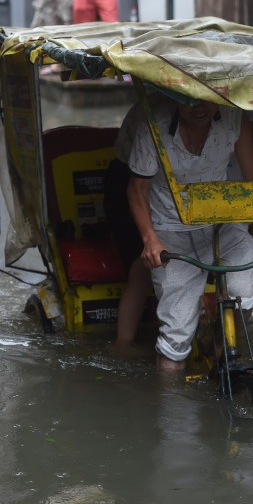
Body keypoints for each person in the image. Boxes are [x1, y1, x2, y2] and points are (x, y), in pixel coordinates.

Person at [126, 98, 253, 370]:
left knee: (244, 293)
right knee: (174, 342)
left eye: (205, 100)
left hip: (221, 221)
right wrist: (150, 239)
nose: (198, 107)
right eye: (188, 101)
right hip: (170, 228)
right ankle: (169, 395)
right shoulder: (152, 124)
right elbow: (137, 189)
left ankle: (216, 342)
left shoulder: (234, 118)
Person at [103, 101, 152, 346]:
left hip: (180, 188)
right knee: (142, 266)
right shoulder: (153, 114)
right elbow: (137, 188)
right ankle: (123, 344)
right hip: (131, 184)